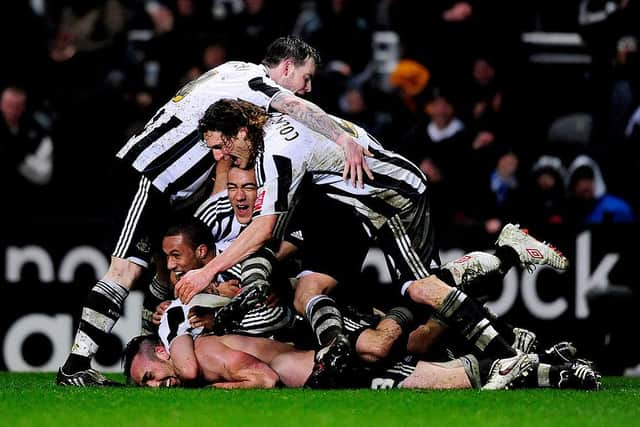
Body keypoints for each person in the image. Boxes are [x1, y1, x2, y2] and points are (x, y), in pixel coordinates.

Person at [174, 99, 570, 388]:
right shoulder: (274, 132)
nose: (218, 157)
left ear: (241, 131)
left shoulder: (275, 153)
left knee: (420, 292)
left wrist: (208, 273)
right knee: (406, 296)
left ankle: (509, 355)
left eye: (219, 145)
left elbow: (265, 230)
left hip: (390, 199)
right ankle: (508, 284)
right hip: (360, 205)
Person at [56, 35, 373, 387]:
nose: (307, 88)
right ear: (286, 67)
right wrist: (344, 138)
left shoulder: (232, 72)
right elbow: (298, 109)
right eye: (306, 78)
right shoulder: (255, 83)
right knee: (124, 271)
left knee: (161, 271)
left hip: (168, 188)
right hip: (153, 174)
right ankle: (74, 365)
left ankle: (155, 350)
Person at [122, 330, 601, 391]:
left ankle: (528, 359)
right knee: (431, 370)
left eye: (148, 375)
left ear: (162, 353)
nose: (152, 386)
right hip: (326, 368)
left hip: (327, 369)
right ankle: (551, 364)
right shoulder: (195, 350)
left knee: (450, 380)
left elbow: (264, 380)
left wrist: (213, 391)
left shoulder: (199, 353)